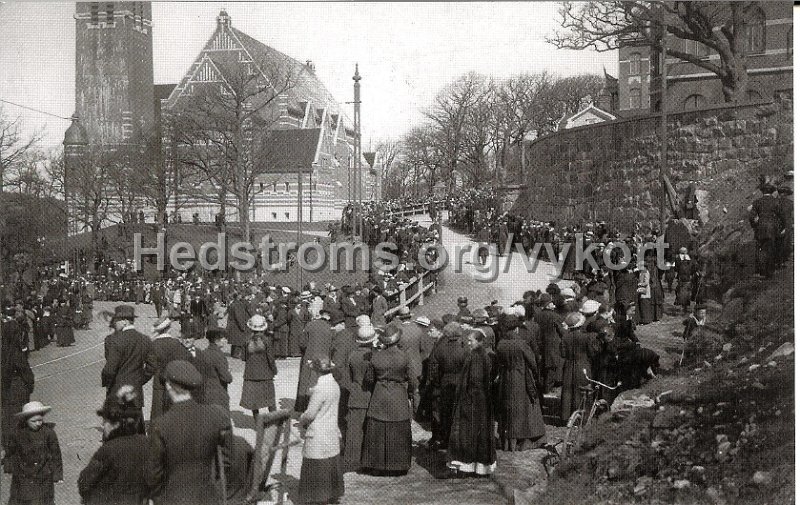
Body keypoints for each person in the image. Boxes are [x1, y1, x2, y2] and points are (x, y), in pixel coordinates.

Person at [146, 360, 232, 505]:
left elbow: (153, 474)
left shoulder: (160, 425)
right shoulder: (218, 416)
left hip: (173, 498)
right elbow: (226, 461)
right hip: (208, 496)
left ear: (168, 386)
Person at [78, 386, 150, 505]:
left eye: (105, 421)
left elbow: (84, 482)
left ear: (115, 423)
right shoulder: (146, 443)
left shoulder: (108, 450)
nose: (103, 425)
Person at [361, 325, 415, 476]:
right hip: (398, 394)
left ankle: (377, 465)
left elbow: (369, 379)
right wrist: (409, 392)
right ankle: (399, 465)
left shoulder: (376, 356)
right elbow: (412, 379)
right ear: (397, 339)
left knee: (378, 428)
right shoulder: (405, 356)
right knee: (398, 428)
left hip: (379, 394)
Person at [447, 330, 496, 477]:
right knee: (480, 433)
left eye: (471, 341)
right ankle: (479, 467)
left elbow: (475, 380)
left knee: (468, 432)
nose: (468, 343)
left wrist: (466, 398)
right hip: (481, 400)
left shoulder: (476, 357)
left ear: (480, 341)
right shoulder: (483, 356)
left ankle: (468, 465)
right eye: (467, 341)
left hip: (473, 401)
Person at [298, 358, 345, 505]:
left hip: (318, 433)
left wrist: (301, 419)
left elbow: (310, 414)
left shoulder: (319, 389)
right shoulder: (334, 385)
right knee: (330, 463)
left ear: (317, 371)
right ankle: (330, 494)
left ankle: (318, 498)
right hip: (331, 430)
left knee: (317, 466)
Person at [494, 324, 546, 452]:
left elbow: (498, 361)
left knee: (508, 408)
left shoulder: (501, 344)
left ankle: (507, 441)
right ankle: (522, 439)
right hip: (521, 378)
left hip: (505, 377)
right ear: (516, 329)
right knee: (524, 408)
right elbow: (533, 362)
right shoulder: (521, 344)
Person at [101, 305, 151, 432]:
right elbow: (152, 366)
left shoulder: (116, 340)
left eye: (117, 321)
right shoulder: (145, 339)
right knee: (137, 431)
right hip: (136, 392)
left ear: (124, 321)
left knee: (117, 432)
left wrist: (108, 383)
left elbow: (109, 370)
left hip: (117, 392)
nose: (115, 324)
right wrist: (140, 380)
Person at [5, 401, 63, 505]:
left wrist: (57, 474)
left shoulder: (49, 433)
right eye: (34, 421)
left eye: (40, 420)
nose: (38, 423)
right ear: (26, 420)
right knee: (22, 498)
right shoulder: (18, 433)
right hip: (23, 473)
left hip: (43, 473)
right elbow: (11, 451)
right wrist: (9, 465)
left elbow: (56, 454)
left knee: (42, 499)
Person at [426, 322, 468, 449]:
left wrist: (437, 383)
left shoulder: (440, 348)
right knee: (459, 413)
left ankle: (446, 439)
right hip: (461, 382)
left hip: (445, 383)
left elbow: (433, 368)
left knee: (446, 413)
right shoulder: (465, 348)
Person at [341, 325, 376, 473]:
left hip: (355, 394)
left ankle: (351, 460)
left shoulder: (352, 355)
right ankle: (368, 459)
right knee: (370, 429)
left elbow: (346, 378)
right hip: (371, 395)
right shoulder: (374, 356)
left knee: (354, 429)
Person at [2, 303, 35, 451]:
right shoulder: (16, 353)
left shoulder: (3, 351)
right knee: (18, 420)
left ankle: (8, 450)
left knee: (7, 420)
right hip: (17, 389)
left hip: (5, 389)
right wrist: (30, 384)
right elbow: (27, 374)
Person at [145, 318, 192, 420]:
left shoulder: (153, 345)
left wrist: (142, 379)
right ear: (169, 329)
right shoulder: (176, 343)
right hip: (174, 382)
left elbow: (150, 368)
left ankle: (156, 432)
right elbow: (187, 358)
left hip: (159, 383)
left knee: (158, 410)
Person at [560, 312, 599, 422]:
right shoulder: (586, 337)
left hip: (568, 365)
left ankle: (566, 416)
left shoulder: (565, 336)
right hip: (583, 365)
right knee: (582, 390)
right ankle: (583, 417)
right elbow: (591, 353)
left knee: (568, 391)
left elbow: (562, 353)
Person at [240, 315, 278, 421]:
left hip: (250, 375)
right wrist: (274, 371)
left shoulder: (246, 341)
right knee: (270, 401)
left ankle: (258, 424)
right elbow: (271, 359)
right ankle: (275, 422)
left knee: (254, 402)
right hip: (266, 375)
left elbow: (243, 358)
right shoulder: (267, 340)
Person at [295, 311, 334, 413]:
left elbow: (302, 343)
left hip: (309, 356)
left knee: (306, 382)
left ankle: (303, 407)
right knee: (320, 383)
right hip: (324, 359)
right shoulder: (330, 328)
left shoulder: (310, 325)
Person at [749, 183, 785, 278]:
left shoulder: (757, 202)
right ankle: (769, 272)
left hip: (760, 227)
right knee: (771, 249)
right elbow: (782, 216)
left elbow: (751, 217)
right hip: (772, 228)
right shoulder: (776, 201)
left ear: (762, 192)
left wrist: (754, 226)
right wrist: (783, 228)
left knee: (760, 249)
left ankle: (760, 271)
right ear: (772, 191)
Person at [202, 328, 233, 412]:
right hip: (218, 393)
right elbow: (226, 378)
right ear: (216, 340)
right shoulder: (219, 355)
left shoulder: (203, 353)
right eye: (223, 338)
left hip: (205, 391)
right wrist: (229, 373)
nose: (225, 340)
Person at [226, 292, 251, 360]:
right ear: (238, 296)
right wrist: (242, 326)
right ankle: (237, 354)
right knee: (239, 340)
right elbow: (239, 316)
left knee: (234, 340)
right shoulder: (238, 304)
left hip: (232, 325)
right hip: (236, 325)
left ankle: (233, 353)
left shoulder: (233, 303)